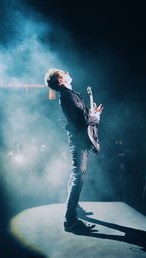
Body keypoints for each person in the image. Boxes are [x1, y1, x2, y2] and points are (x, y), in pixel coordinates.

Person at [44, 68, 103, 232]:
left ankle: (71, 215)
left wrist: (93, 114)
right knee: (78, 175)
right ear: (60, 81)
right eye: (64, 73)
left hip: (79, 139)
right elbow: (83, 121)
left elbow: (82, 117)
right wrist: (95, 117)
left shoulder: (69, 94)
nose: (68, 73)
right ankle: (70, 220)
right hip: (79, 140)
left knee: (77, 175)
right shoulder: (68, 96)